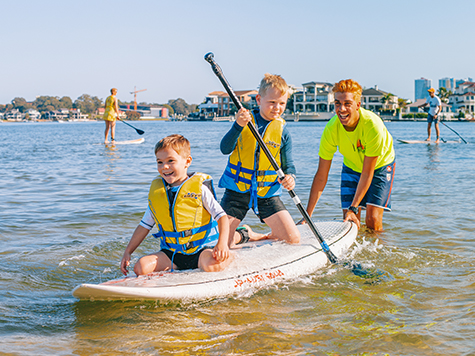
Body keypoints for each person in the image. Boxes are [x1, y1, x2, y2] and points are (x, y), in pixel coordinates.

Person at [120, 134, 237, 275]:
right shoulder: (158, 192)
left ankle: (234, 248)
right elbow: (144, 225)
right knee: (141, 267)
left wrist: (222, 244)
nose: (165, 167)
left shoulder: (200, 188)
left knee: (212, 266)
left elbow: (222, 217)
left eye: (171, 160)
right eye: (159, 162)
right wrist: (128, 251)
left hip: (201, 250)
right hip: (172, 253)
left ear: (187, 162)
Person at [218, 73, 300, 245]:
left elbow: (288, 165)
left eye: (282, 103)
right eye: (272, 102)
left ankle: (252, 234)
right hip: (236, 192)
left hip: (267, 194)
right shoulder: (243, 121)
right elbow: (225, 149)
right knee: (222, 244)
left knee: (293, 240)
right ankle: (243, 235)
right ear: (258, 99)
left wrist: (290, 177)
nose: (277, 108)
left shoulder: (283, 131)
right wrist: (237, 126)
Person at [304, 79, 395, 231]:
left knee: (372, 220)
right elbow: (321, 175)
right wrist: (307, 216)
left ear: (358, 105)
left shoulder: (373, 126)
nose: (342, 109)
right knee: (349, 222)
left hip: (380, 166)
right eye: (337, 103)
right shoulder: (331, 129)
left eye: (347, 103)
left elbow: (367, 173)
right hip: (351, 166)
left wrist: (354, 207)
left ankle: (377, 252)